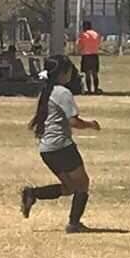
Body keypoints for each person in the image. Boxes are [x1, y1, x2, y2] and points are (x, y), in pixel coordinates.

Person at [20, 55, 101, 233]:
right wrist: (91, 125)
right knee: (82, 184)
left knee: (69, 187)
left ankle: (32, 194)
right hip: (62, 146)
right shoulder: (63, 92)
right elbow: (73, 121)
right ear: (63, 72)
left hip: (46, 148)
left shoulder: (46, 90)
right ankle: (74, 224)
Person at [77, 21, 102, 94]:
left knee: (87, 74)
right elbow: (98, 43)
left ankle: (89, 90)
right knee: (95, 73)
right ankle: (96, 89)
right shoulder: (96, 34)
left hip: (86, 55)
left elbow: (79, 45)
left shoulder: (83, 35)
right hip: (94, 55)